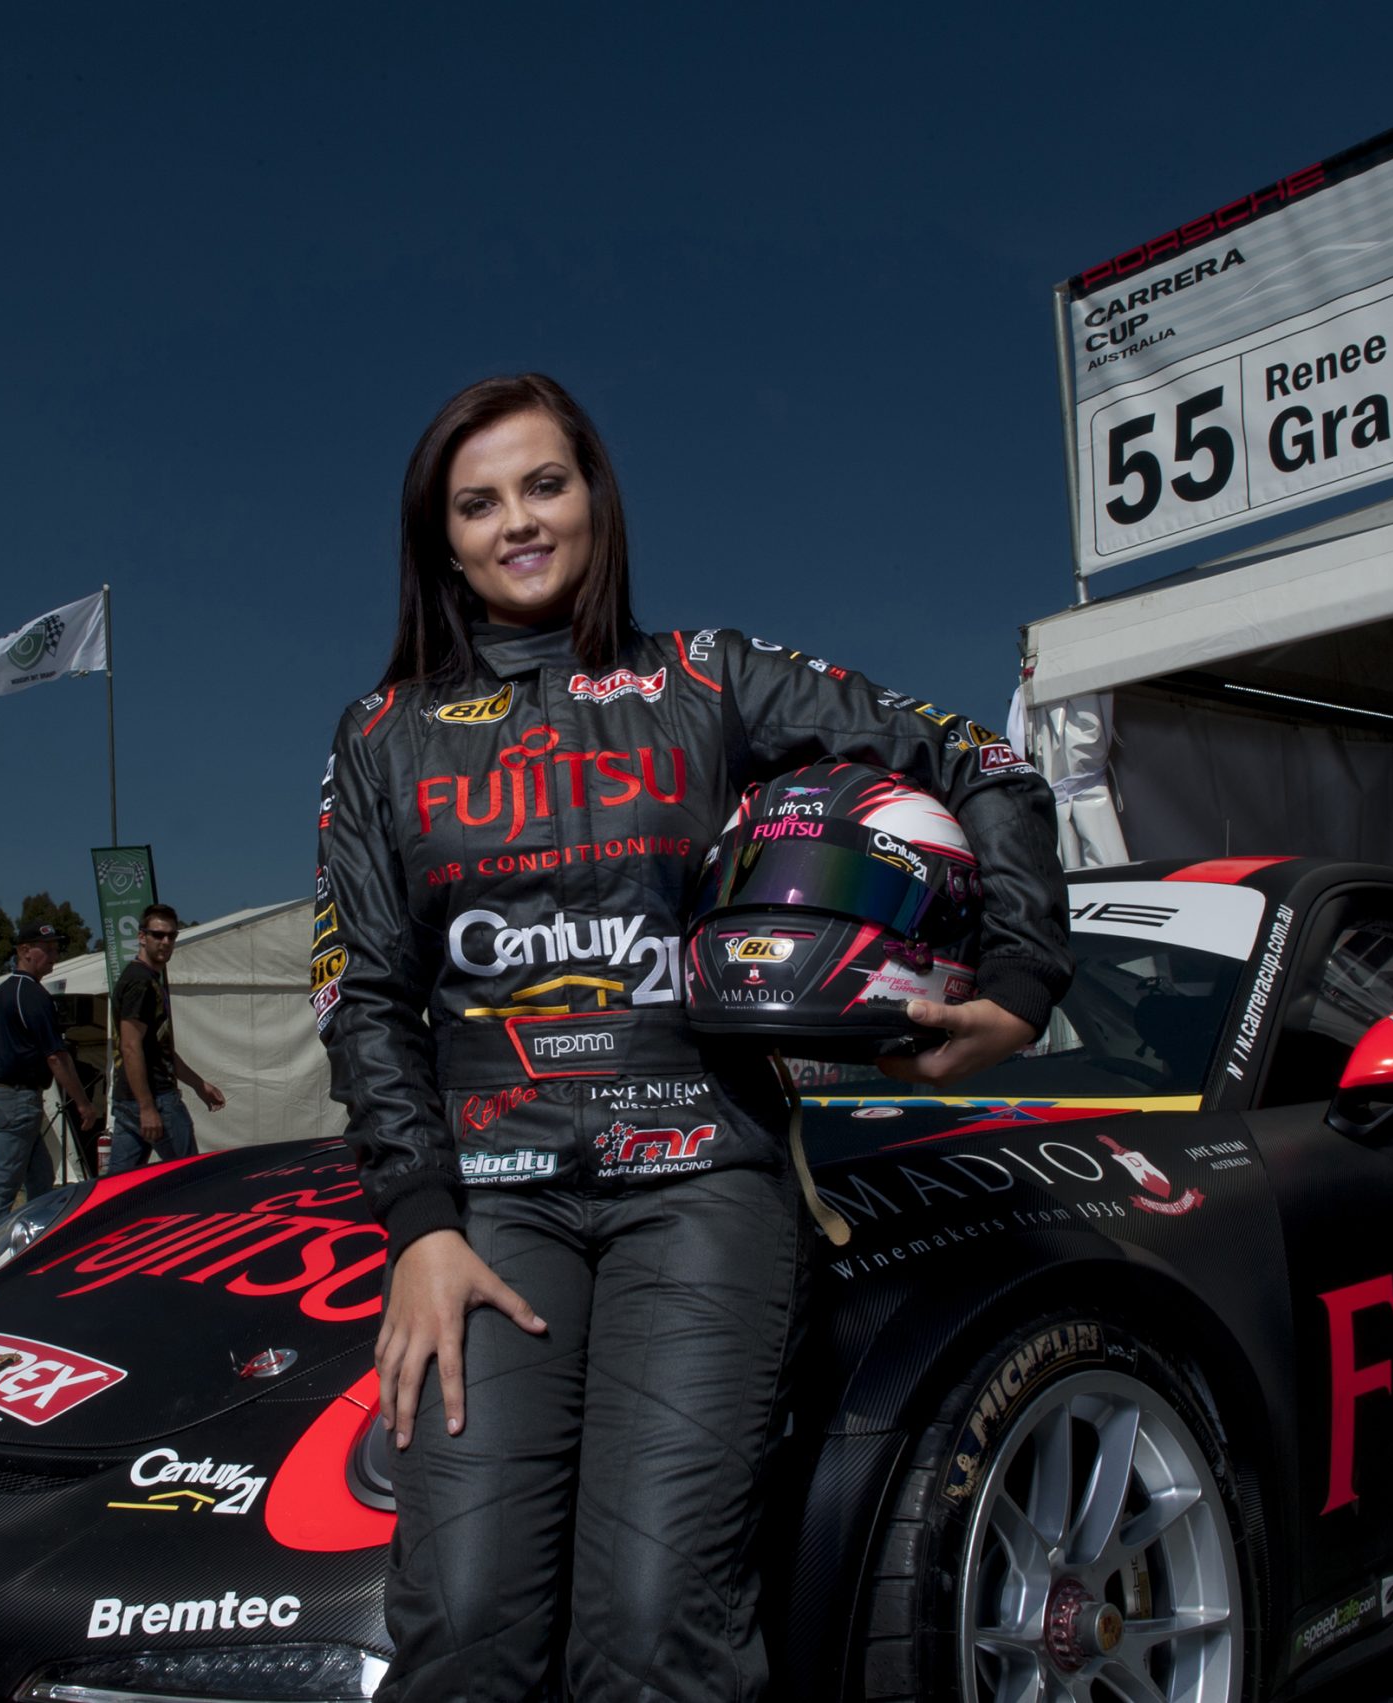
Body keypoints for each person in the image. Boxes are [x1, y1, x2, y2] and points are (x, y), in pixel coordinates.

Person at [318, 375, 1071, 1701]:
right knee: (469, 1617)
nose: (519, 522)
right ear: (441, 541)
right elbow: (364, 996)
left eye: (545, 484)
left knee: (660, 1618)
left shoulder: (710, 676)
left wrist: (1017, 978)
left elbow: (983, 761)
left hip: (705, 1186)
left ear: (598, 499)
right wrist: (420, 1223)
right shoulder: (381, 737)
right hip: (490, 1212)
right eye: (478, 502)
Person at [0, 922, 101, 1235]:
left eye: (55, 949)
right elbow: (55, 1056)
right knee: (4, 1183)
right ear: (24, 951)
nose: (53, 956)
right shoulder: (32, 995)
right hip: (18, 1096)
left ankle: (41, 1238)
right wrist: (83, 1103)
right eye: (47, 949)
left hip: (4, 1092)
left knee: (40, 1176)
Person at [108, 904, 226, 1173]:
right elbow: (130, 1045)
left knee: (118, 1190)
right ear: (141, 937)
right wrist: (147, 1107)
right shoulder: (140, 982)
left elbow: (160, 1050)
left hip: (133, 1099)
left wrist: (198, 1084)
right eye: (158, 935)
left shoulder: (149, 979)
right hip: (155, 1099)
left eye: (171, 936)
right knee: (191, 1180)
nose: (165, 942)